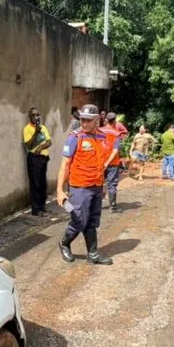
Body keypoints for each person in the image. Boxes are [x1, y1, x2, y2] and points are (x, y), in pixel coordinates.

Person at [57, 104, 116, 265]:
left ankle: (93, 254)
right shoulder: (75, 137)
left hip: (96, 186)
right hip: (79, 187)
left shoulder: (102, 137)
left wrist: (103, 185)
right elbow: (65, 165)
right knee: (79, 220)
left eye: (88, 120)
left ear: (97, 120)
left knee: (92, 220)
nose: (84, 123)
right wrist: (60, 191)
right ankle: (64, 243)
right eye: (82, 119)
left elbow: (101, 163)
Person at [23, 107, 52, 216]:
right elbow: (28, 145)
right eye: (34, 115)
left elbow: (49, 142)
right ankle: (36, 210)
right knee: (35, 184)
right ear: (29, 117)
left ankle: (42, 206)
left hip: (43, 158)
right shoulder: (27, 129)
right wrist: (35, 132)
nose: (36, 117)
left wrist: (40, 148)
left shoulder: (43, 127)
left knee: (43, 183)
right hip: (34, 159)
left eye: (38, 115)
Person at [101, 113, 125, 212]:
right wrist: (108, 162)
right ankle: (113, 207)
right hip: (113, 163)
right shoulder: (117, 134)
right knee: (112, 184)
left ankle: (97, 205)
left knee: (98, 183)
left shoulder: (99, 130)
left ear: (106, 120)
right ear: (115, 121)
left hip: (100, 162)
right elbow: (115, 151)